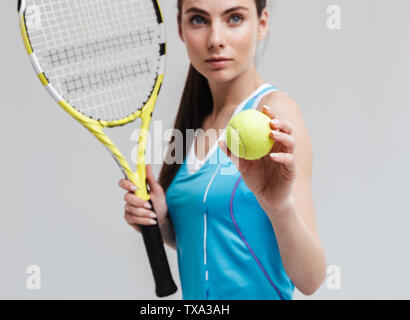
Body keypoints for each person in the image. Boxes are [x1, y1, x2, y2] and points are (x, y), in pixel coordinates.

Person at [118, 0, 326, 300]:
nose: (215, 39)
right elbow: (218, 238)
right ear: (180, 28)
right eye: (199, 20)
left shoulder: (275, 114)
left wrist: (280, 207)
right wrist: (162, 222)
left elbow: (311, 279)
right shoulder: (195, 120)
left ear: (262, 23)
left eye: (235, 18)